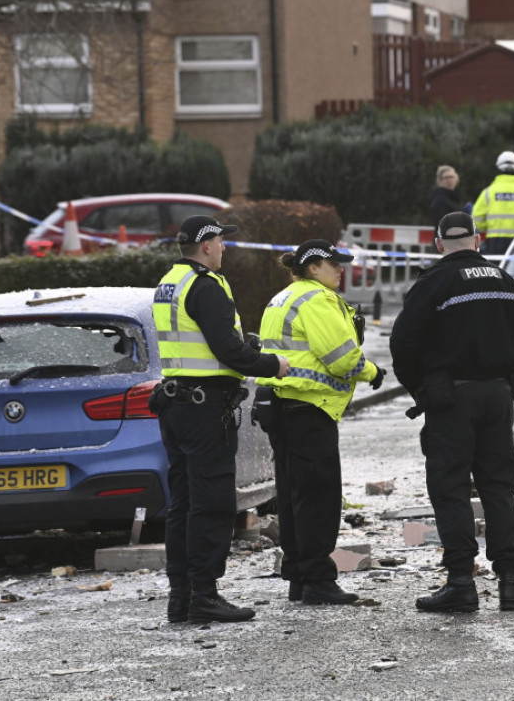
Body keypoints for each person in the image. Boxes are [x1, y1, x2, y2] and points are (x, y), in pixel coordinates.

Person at [389, 211, 514, 614]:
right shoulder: (505, 282)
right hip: (498, 395)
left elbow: (402, 342)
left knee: (451, 486)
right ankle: (510, 582)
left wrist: (420, 387)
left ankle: (461, 582)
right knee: (498, 486)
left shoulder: (433, 283)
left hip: (451, 399)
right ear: (479, 240)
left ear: (438, 244)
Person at [151, 215, 289, 624]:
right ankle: (205, 595)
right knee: (211, 503)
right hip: (202, 406)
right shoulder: (205, 286)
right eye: (221, 241)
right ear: (207, 244)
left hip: (176, 404)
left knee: (183, 504)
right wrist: (271, 363)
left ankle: (182, 596)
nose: (225, 247)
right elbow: (228, 351)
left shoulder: (169, 282)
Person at [255, 239, 387, 606]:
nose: (341, 269)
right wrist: (374, 372)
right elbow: (342, 358)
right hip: (309, 409)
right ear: (313, 267)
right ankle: (317, 580)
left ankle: (298, 575)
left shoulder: (283, 297)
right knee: (318, 498)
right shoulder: (317, 299)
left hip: (281, 406)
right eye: (334, 264)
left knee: (294, 495)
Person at [472, 150, 514, 257]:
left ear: (498, 167)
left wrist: (490, 227)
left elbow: (476, 219)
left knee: (497, 272)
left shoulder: (488, 192)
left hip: (495, 242)